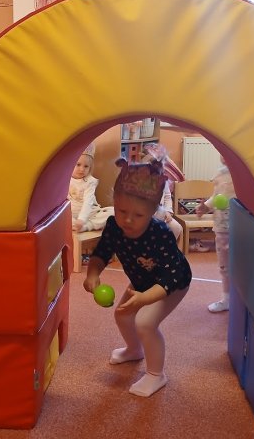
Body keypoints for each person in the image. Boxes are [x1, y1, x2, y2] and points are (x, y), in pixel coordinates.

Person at [83, 157, 192, 398]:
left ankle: (156, 374)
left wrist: (145, 299)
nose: (128, 220)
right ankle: (134, 350)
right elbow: (101, 253)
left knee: (145, 322)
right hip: (143, 280)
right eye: (122, 211)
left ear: (153, 212)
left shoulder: (160, 234)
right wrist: (92, 274)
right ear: (114, 202)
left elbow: (170, 276)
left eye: (138, 215)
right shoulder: (114, 226)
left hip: (172, 282)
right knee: (122, 315)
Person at [195, 155, 236, 311]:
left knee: (242, 265)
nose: (223, 155)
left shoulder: (243, 174)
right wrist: (205, 206)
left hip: (241, 227)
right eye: (221, 152)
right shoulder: (220, 173)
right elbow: (216, 196)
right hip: (222, 227)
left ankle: (242, 299)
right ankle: (227, 299)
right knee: (224, 266)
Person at [140, 146, 183, 246]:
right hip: (145, 217)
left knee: (176, 227)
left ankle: (165, 248)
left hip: (161, 214)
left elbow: (167, 196)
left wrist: (168, 211)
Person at [68, 143, 114, 232]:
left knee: (113, 212)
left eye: (86, 166)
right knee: (61, 218)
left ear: (90, 167)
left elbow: (88, 201)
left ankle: (87, 226)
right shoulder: (66, 179)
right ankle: (76, 225)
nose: (82, 169)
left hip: (91, 213)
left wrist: (82, 219)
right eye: (78, 164)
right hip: (73, 214)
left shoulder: (90, 181)